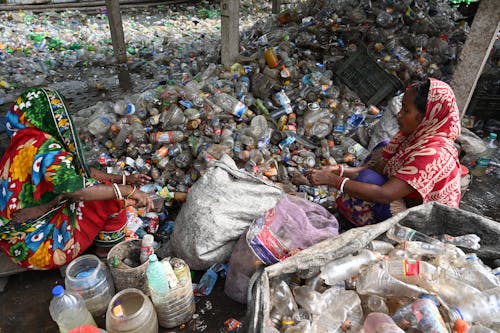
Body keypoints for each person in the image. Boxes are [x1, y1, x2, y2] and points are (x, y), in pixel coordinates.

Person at [0, 87, 154, 270]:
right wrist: (127, 191)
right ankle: (106, 252)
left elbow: (80, 172)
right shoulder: (46, 146)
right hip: (38, 249)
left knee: (100, 187)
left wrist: (124, 179)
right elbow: (77, 190)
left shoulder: (22, 141)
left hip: (14, 240)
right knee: (112, 197)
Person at [306, 78, 462, 227]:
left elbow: (384, 194)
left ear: (424, 118)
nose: (399, 114)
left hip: (420, 225)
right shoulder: (414, 138)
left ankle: (355, 224)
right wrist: (338, 171)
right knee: (383, 147)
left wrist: (332, 181)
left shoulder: (433, 154)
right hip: (401, 198)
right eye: (402, 107)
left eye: (406, 110)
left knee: (367, 180)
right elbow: (377, 168)